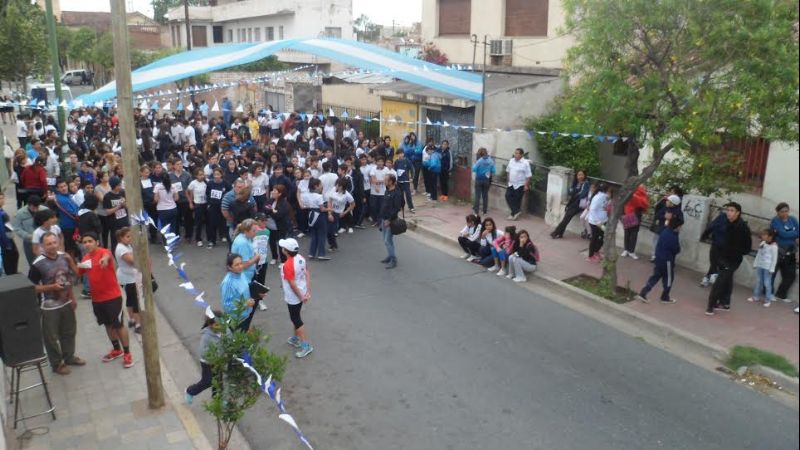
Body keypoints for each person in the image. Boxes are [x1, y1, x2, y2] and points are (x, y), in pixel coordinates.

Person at [28, 232, 85, 375]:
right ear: (42, 246)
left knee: (69, 332)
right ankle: (57, 364)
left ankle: (69, 357)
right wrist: (51, 288)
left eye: (54, 242)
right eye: (48, 244)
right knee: (51, 337)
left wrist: (72, 297)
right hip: (48, 306)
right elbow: (31, 288)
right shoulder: (37, 264)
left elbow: (70, 278)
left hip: (66, 302)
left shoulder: (64, 256)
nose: (53, 246)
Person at [78, 232, 134, 368]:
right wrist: (74, 265)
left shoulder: (104, 251)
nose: (87, 244)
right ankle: (116, 349)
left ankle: (127, 353)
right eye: (84, 242)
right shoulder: (86, 258)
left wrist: (104, 260)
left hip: (112, 297)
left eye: (90, 241)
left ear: (97, 242)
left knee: (118, 325)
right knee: (107, 325)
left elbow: (107, 255)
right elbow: (78, 272)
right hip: (97, 299)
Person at [705, 202, 752, 315]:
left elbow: (747, 247)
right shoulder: (726, 222)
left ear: (737, 213)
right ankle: (725, 303)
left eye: (732, 211)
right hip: (722, 256)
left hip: (733, 260)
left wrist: (736, 253)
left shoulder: (742, 227)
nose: (729, 213)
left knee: (720, 281)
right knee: (727, 280)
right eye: (728, 210)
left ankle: (710, 306)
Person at [278, 238, 313, 358]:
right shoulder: (301, 258)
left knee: (296, 319)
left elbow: (292, 284)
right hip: (301, 292)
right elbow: (307, 273)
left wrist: (301, 297)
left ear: (286, 251)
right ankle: (296, 338)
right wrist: (307, 291)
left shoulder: (287, 265)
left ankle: (305, 345)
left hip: (294, 296)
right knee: (295, 317)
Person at [637, 219, 683, 304]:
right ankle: (665, 297)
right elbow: (676, 249)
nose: (681, 228)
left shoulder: (665, 231)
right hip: (667, 260)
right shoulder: (673, 236)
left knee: (656, 276)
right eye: (680, 226)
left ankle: (643, 293)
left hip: (658, 258)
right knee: (669, 278)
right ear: (676, 227)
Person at [185, 311, 224, 404]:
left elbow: (230, 339)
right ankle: (190, 391)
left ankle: (217, 400)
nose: (220, 327)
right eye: (216, 325)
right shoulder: (206, 336)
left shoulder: (225, 331)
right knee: (207, 381)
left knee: (218, 381)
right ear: (210, 325)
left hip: (219, 361)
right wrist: (215, 356)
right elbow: (203, 352)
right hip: (207, 362)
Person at [115, 228, 143, 333]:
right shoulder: (121, 249)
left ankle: (131, 320)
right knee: (135, 301)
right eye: (127, 236)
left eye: (131, 236)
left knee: (130, 300)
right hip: (128, 279)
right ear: (121, 238)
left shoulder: (126, 246)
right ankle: (137, 324)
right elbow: (132, 261)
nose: (130, 238)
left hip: (128, 277)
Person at [220, 253, 256, 332]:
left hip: (246, 315)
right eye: (236, 265)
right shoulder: (228, 283)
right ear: (229, 267)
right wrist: (245, 304)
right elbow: (227, 306)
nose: (240, 266)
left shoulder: (241, 273)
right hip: (236, 320)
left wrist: (258, 293)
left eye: (241, 263)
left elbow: (246, 288)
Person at [770, 202, 798, 302]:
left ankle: (781, 294)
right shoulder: (775, 221)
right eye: (782, 211)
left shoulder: (793, 219)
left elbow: (798, 232)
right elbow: (782, 234)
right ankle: (768, 293)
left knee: (790, 275)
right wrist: (792, 234)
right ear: (778, 212)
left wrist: (788, 233)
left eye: (786, 211)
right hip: (778, 251)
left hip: (791, 251)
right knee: (772, 273)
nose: (785, 213)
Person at [12, 195, 48, 266]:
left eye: (37, 207)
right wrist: (28, 236)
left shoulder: (45, 210)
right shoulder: (20, 213)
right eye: (33, 207)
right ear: (28, 205)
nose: (36, 209)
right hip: (29, 243)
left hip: (44, 241)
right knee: (33, 264)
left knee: (46, 262)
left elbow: (51, 223)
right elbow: (17, 228)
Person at [379, 174, 404, 269]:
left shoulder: (396, 193)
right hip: (383, 218)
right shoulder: (387, 190)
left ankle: (393, 259)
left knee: (387, 240)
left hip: (390, 220)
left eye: (386, 180)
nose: (384, 181)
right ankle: (390, 256)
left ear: (391, 182)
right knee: (387, 240)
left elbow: (397, 208)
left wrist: (389, 220)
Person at [650, 190, 684, 262]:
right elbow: (657, 215)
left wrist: (672, 218)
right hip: (662, 229)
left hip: (671, 233)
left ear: (672, 203)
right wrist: (664, 217)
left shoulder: (678, 211)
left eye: (668, 201)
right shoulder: (665, 208)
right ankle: (656, 257)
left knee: (667, 247)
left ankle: (668, 261)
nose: (666, 202)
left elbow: (681, 221)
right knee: (659, 244)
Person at [748, 229, 779, 307]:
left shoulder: (774, 247)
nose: (763, 236)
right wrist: (755, 263)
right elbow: (759, 254)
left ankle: (767, 299)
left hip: (767, 268)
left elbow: (774, 259)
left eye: (765, 235)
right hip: (760, 265)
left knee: (767, 283)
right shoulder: (762, 243)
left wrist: (772, 269)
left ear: (770, 237)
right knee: (759, 281)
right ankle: (756, 296)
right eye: (763, 234)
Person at [303, 178, 331, 260]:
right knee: (322, 235)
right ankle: (321, 254)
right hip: (319, 215)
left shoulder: (307, 195)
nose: (321, 186)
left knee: (314, 235)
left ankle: (311, 253)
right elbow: (322, 209)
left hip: (311, 214)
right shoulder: (319, 196)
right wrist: (329, 209)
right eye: (320, 185)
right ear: (316, 186)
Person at [700, 210, 728, 287]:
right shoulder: (735, 221)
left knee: (714, 262)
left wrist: (704, 236)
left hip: (717, 244)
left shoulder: (721, 218)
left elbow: (711, 227)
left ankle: (709, 278)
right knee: (717, 263)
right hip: (725, 246)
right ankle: (710, 277)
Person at [325, 178, 354, 253]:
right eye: (336, 184)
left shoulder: (347, 195)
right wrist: (329, 213)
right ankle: (333, 245)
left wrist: (344, 212)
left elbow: (353, 205)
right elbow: (330, 201)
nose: (336, 186)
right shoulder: (334, 190)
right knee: (328, 230)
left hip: (338, 214)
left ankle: (333, 245)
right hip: (331, 211)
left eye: (338, 185)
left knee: (331, 230)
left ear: (342, 186)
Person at [621, 185, 649, 259]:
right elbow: (645, 205)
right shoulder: (639, 195)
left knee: (630, 234)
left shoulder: (634, 194)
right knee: (631, 234)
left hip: (632, 214)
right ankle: (629, 251)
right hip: (631, 214)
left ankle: (629, 251)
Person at [505, 148, 532, 221]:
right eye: (515, 153)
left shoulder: (525, 163)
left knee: (517, 200)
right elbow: (508, 171)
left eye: (517, 153)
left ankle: (513, 214)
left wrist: (526, 185)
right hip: (511, 183)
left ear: (521, 154)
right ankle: (516, 211)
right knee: (507, 196)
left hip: (520, 184)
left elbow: (528, 175)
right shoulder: (511, 160)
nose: (515, 154)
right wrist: (508, 181)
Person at [103, 176, 128, 250]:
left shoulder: (122, 192)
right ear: (114, 186)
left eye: (120, 184)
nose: (120, 186)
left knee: (126, 238)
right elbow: (107, 212)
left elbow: (128, 206)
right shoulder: (107, 196)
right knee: (116, 241)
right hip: (114, 223)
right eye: (118, 185)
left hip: (124, 220)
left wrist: (125, 204)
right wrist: (119, 206)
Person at [586, 183, 609, 262]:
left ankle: (596, 251)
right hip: (595, 222)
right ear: (606, 191)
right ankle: (590, 256)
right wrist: (597, 222)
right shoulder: (598, 197)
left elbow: (604, 208)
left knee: (602, 238)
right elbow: (592, 210)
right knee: (594, 238)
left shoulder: (605, 197)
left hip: (603, 221)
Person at [187, 168, 208, 247]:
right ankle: (198, 239)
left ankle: (209, 238)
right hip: (198, 204)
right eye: (200, 175)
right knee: (198, 223)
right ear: (196, 176)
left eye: (203, 174)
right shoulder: (193, 183)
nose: (202, 176)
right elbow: (187, 192)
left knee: (208, 222)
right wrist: (190, 202)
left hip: (206, 203)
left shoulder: (206, 182)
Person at [154, 172, 179, 238]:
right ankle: (172, 241)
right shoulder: (173, 186)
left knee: (164, 227)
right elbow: (176, 198)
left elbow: (156, 199)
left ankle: (166, 242)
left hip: (162, 210)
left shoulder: (158, 186)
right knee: (173, 226)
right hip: (173, 208)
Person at [471, 147, 495, 215]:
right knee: (485, 196)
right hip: (487, 180)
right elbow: (493, 170)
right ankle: (484, 211)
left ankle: (476, 212)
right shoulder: (491, 160)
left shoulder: (479, 160)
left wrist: (476, 165)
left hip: (479, 179)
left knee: (477, 196)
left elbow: (474, 169)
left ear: (480, 154)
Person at [0, 192, 19, 275]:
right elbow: (5, 231)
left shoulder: (2, 211)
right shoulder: (2, 214)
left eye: (2, 198)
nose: (1, 200)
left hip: (6, 243)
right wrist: (8, 245)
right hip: (6, 244)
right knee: (11, 260)